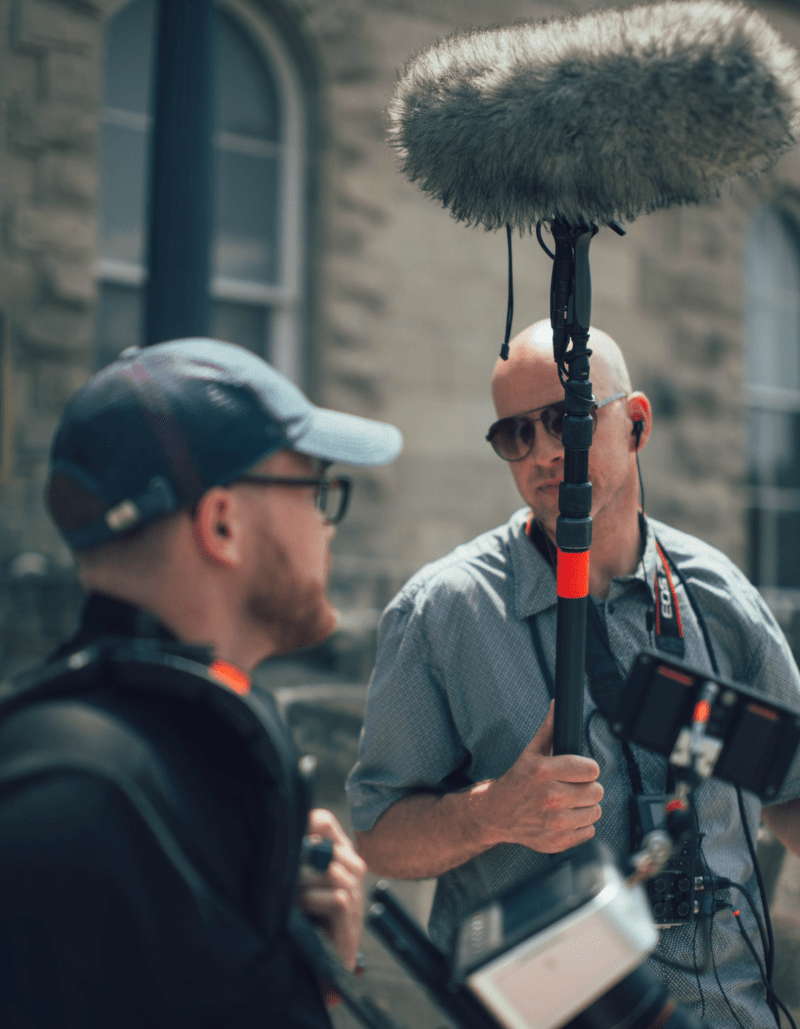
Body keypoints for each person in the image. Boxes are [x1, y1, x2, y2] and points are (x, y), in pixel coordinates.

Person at [347, 319, 800, 1029]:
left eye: (568, 418)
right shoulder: (443, 613)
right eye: (515, 434)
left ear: (638, 423)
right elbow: (376, 832)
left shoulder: (720, 599)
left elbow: (790, 787)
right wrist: (494, 812)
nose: (547, 452)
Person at [0, 338, 402, 1029]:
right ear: (221, 522)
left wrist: (307, 968)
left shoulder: (172, 767)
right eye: (315, 488)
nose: (327, 525)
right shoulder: (76, 799)